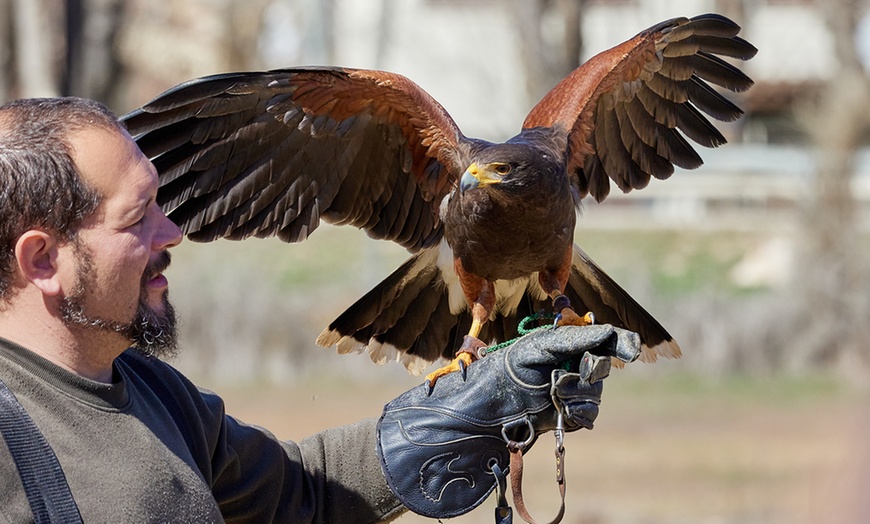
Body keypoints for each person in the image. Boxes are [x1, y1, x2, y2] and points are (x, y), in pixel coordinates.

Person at [0, 97, 633, 523]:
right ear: (42, 262)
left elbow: (301, 494)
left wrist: (467, 413)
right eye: (139, 218)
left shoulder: (155, 394)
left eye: (164, 205)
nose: (172, 234)